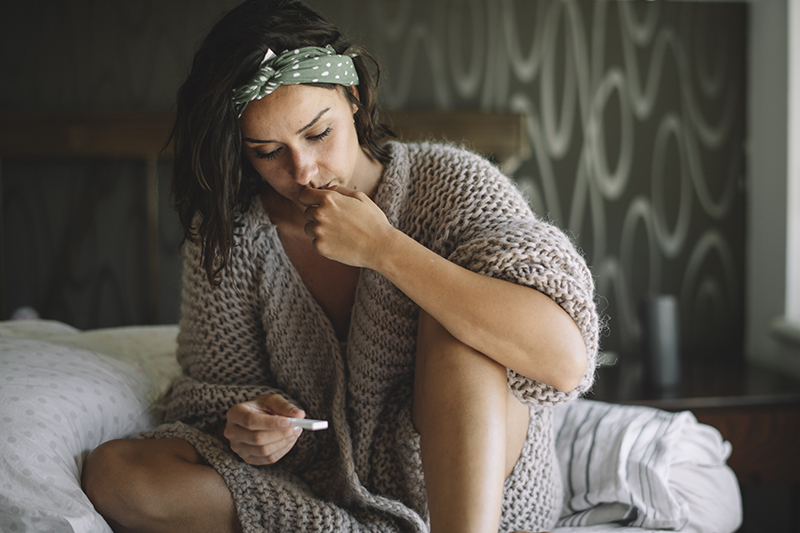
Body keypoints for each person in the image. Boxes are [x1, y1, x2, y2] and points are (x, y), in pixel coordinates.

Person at [81, 1, 600, 532]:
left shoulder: (452, 185)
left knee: (458, 323)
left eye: (316, 133)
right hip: (321, 503)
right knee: (115, 472)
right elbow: (211, 401)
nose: (302, 171)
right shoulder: (232, 236)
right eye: (266, 152)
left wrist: (385, 249)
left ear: (352, 97)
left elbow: (564, 361)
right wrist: (249, 423)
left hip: (478, 500)